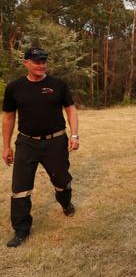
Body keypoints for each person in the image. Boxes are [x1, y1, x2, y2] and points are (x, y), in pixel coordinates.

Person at [2, 47, 79, 248]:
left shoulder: (58, 85)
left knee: (62, 182)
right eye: (36, 61)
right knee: (20, 188)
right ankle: (21, 230)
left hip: (56, 142)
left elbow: (70, 109)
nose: (41, 65)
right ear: (26, 63)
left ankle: (65, 202)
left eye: (43, 61)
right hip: (26, 142)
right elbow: (9, 117)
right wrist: (6, 146)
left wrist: (74, 135)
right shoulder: (14, 88)